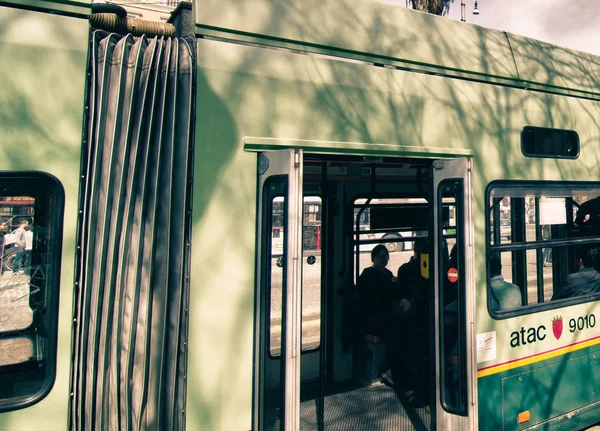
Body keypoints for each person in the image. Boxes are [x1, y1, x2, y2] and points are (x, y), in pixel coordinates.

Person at [356, 245, 411, 385]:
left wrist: (402, 296)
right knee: (398, 335)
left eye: (385, 256)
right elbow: (373, 297)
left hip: (385, 316)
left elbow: (395, 292)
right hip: (372, 318)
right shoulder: (367, 274)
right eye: (380, 256)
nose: (383, 259)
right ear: (373, 258)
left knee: (405, 331)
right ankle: (391, 371)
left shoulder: (388, 274)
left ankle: (394, 370)